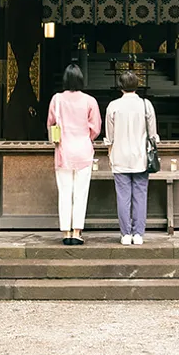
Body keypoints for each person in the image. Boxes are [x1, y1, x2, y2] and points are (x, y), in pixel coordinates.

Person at [47, 62, 102, 245]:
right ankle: (77, 231)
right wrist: (86, 137)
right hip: (83, 151)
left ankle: (65, 232)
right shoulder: (89, 101)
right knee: (81, 192)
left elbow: (51, 123)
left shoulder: (56, 99)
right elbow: (95, 128)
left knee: (65, 191)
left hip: (63, 151)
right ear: (81, 79)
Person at [104, 69, 158, 246]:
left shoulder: (113, 106)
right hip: (141, 156)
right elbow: (153, 134)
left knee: (123, 196)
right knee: (140, 195)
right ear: (137, 85)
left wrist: (110, 151)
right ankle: (138, 234)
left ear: (120, 87)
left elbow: (109, 137)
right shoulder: (145, 104)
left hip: (120, 156)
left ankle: (125, 234)